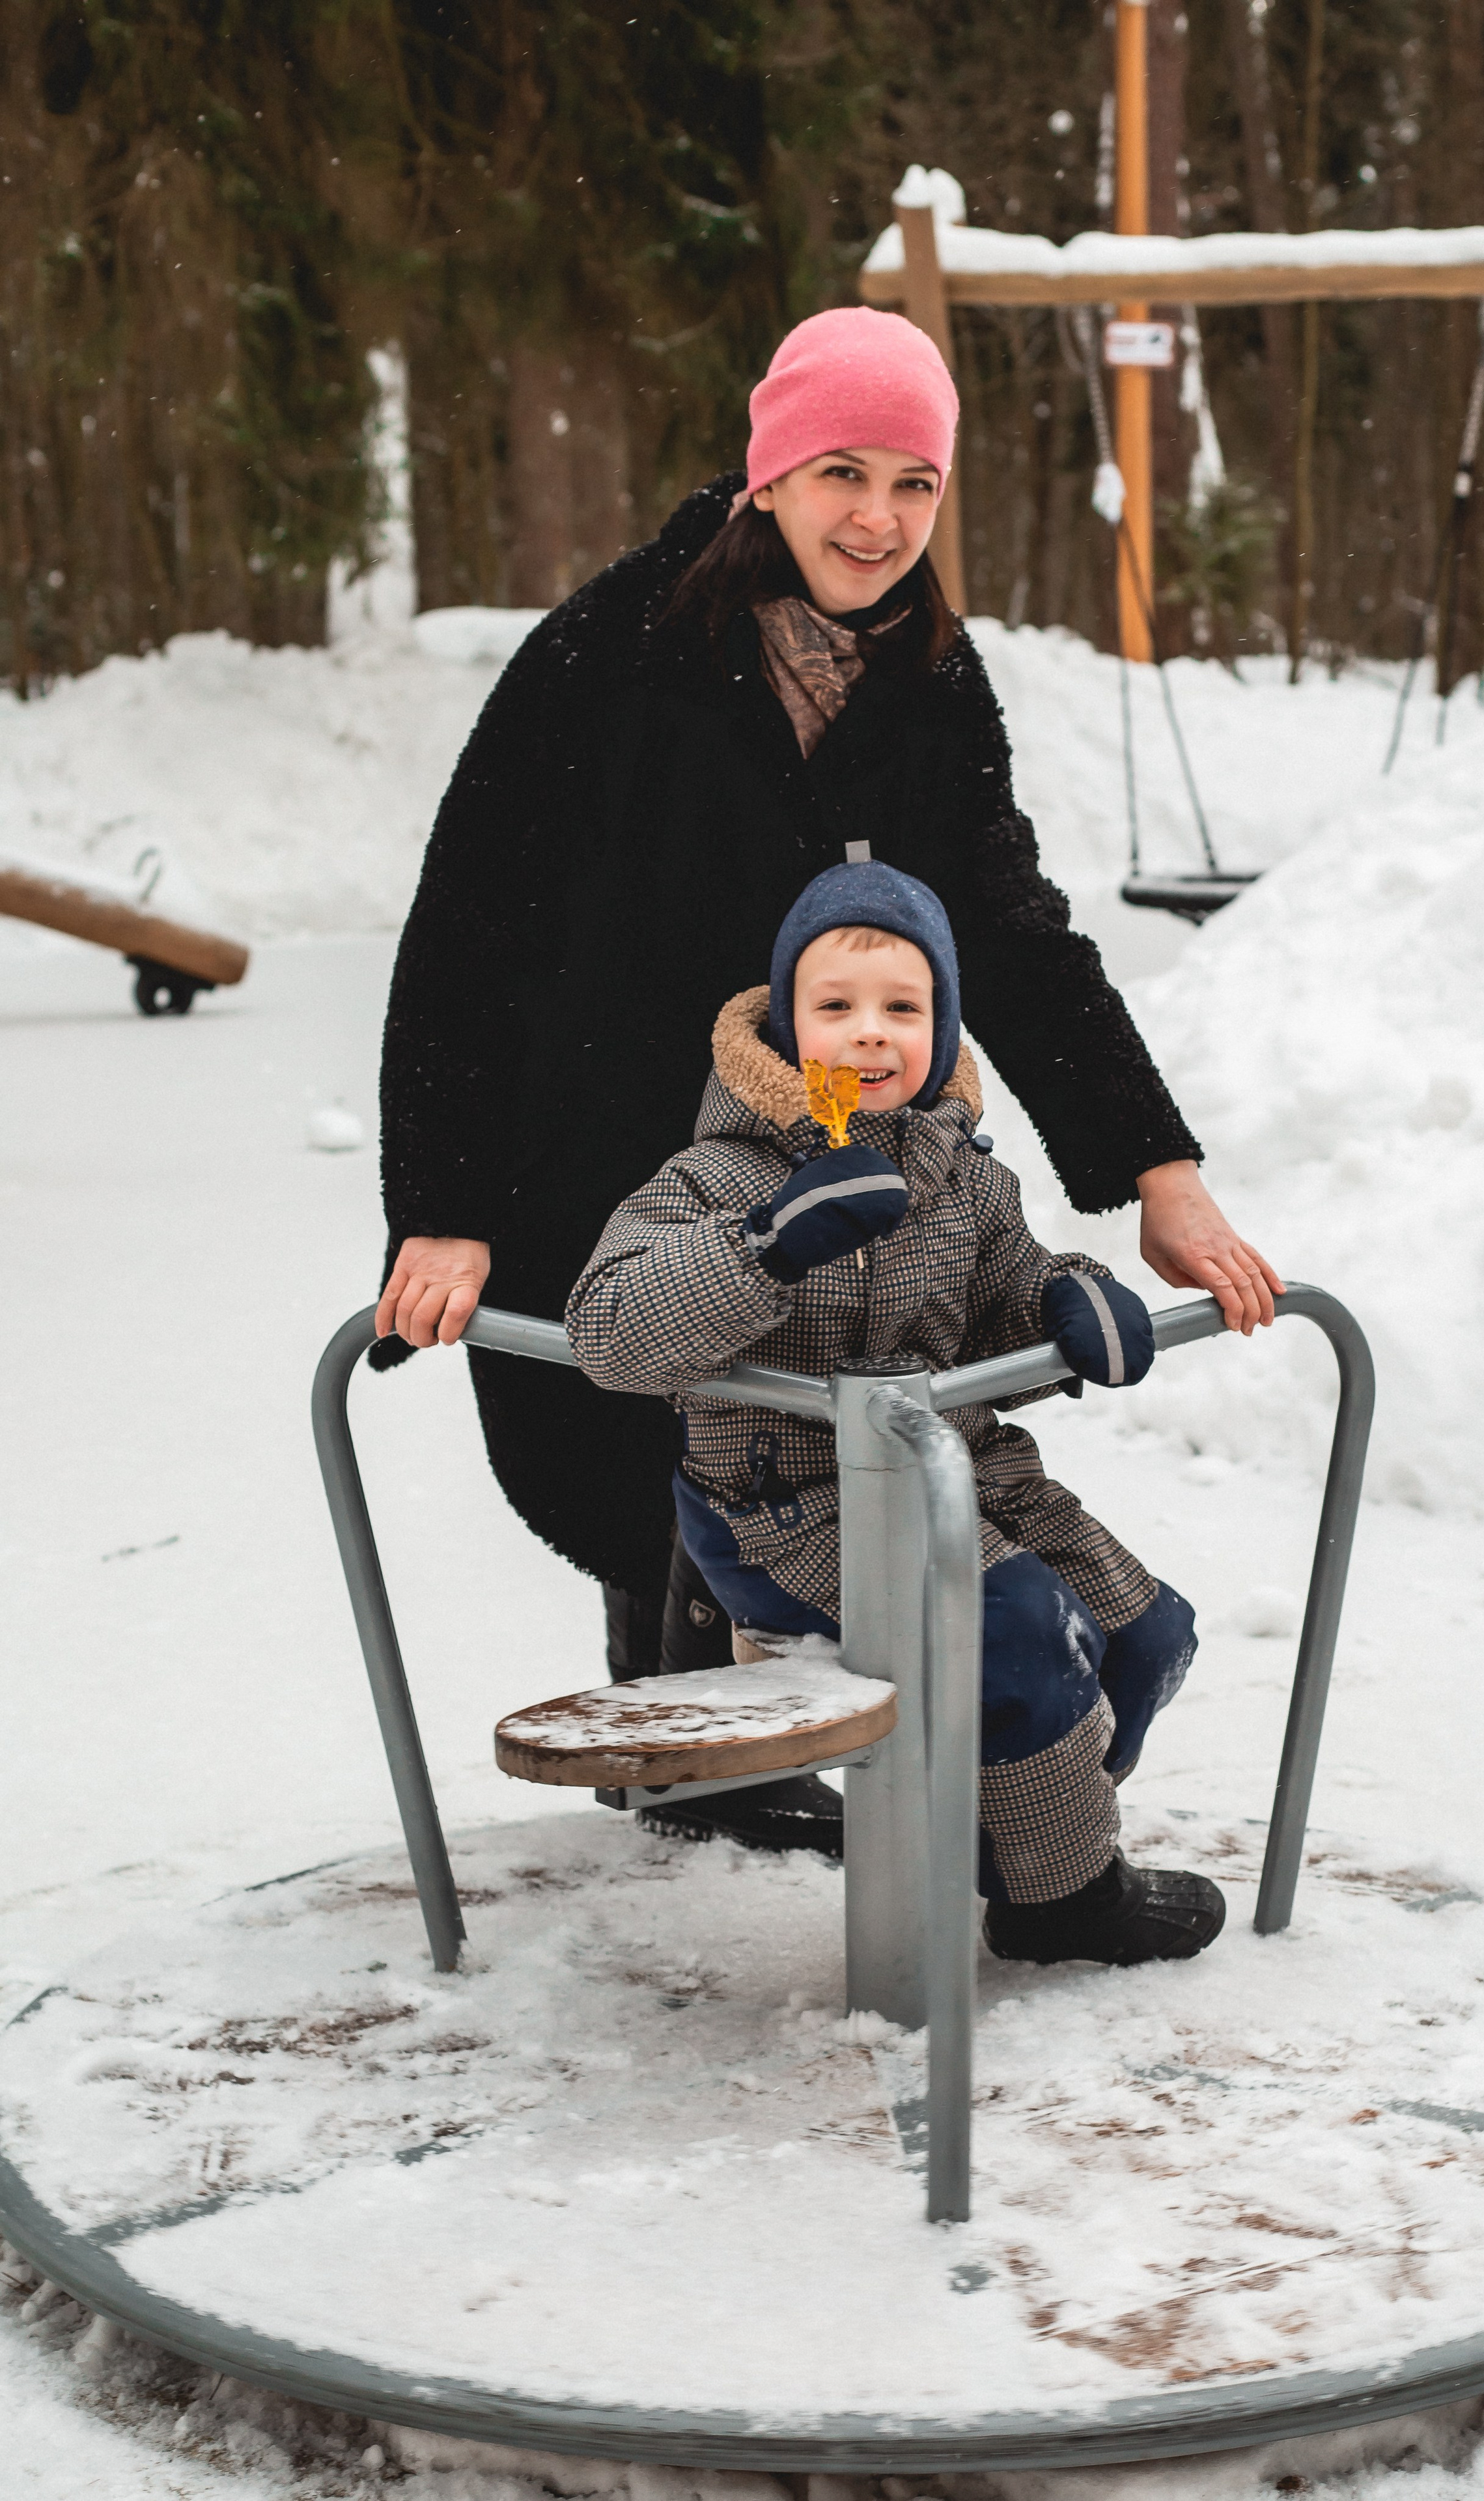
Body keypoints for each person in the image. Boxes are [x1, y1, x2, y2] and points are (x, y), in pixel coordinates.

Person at [374, 304, 1281, 1851]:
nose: (875, 519)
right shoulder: (610, 653)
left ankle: (860, 1772)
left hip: (824, 1140)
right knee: (653, 1445)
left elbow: (1010, 928)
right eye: (840, 473)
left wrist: (1156, 1174)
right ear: (768, 476)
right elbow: (470, 931)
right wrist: (446, 1206)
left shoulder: (926, 675)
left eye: (912, 484)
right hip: (599, 1131)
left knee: (787, 1454)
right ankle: (691, 1764)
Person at [565, 858, 1225, 1965]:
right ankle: (1059, 1901)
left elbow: (1007, 1281)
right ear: (783, 1028)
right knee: (1018, 1635)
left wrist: (1068, 1297)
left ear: (943, 1024)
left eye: (902, 1009)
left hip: (964, 1475)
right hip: (781, 1509)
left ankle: (1006, 1829)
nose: (870, 1035)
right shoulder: (716, 1177)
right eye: (835, 1009)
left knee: (1146, 1633)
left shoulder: (963, 1177)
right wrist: (767, 1247)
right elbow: (609, 1331)